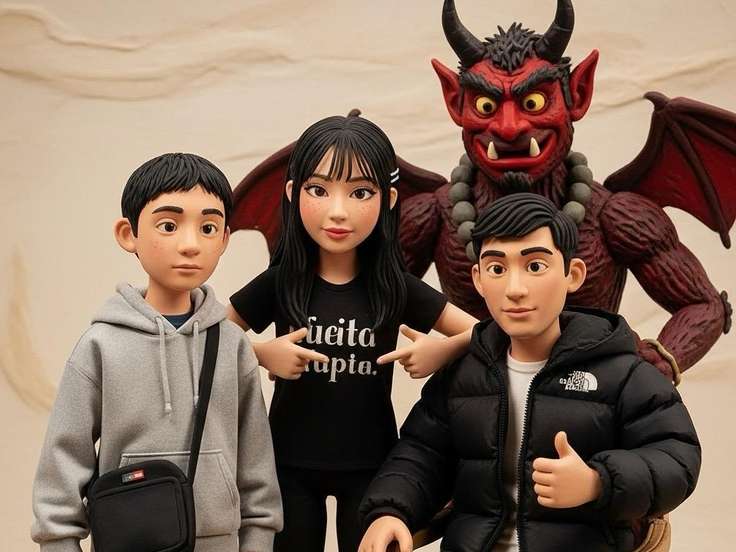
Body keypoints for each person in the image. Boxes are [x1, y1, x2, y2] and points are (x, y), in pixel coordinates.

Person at [358, 193, 701, 552]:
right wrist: (390, 510)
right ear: (478, 279)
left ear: (572, 274)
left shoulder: (622, 373)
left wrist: (597, 481)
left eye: (535, 266)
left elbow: (677, 458)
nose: (515, 289)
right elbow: (421, 453)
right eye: (497, 269)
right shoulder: (464, 374)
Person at [227, 113, 477, 552]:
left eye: (360, 192)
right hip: (286, 463)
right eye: (319, 190)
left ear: (389, 199)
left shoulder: (395, 286)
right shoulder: (282, 281)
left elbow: (483, 332)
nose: (338, 211)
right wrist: (262, 353)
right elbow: (211, 332)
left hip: (372, 464)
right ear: (292, 193)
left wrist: (443, 351)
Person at [31, 153, 283, 552]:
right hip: (128, 540)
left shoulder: (231, 345)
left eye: (207, 228)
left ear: (224, 239)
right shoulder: (100, 346)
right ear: (128, 234)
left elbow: (256, 466)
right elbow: (62, 462)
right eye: (168, 225)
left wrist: (257, 542)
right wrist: (59, 543)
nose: (190, 245)